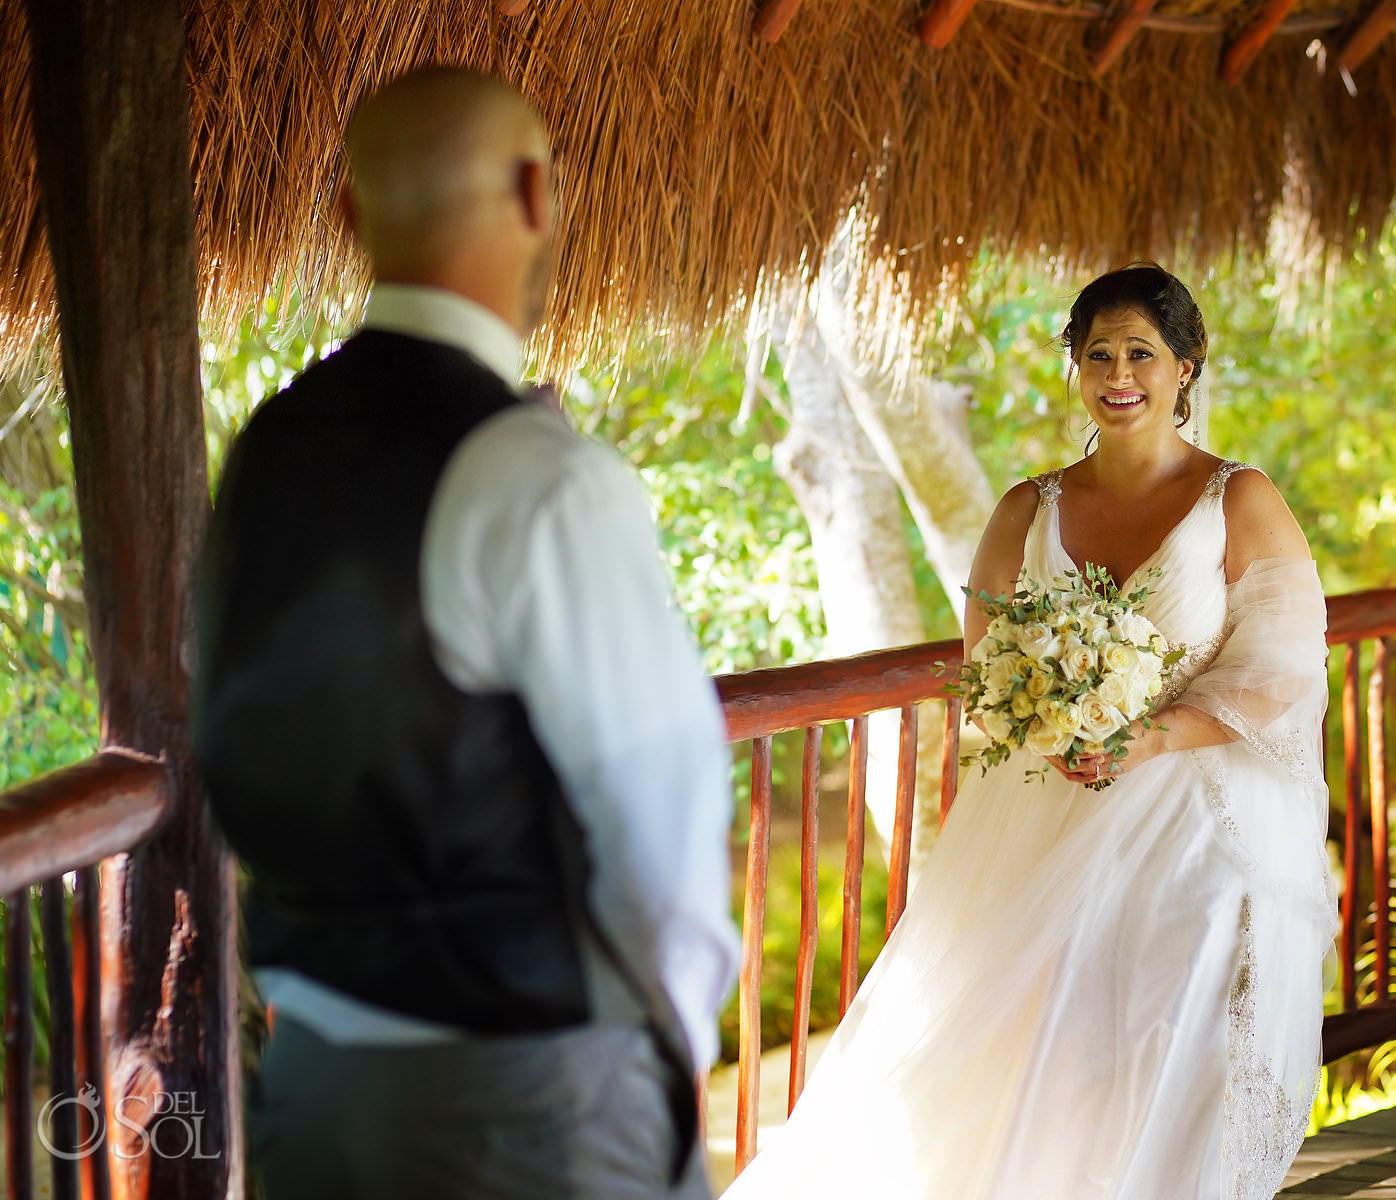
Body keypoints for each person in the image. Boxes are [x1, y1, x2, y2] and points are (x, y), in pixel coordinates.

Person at [190, 68, 733, 1199]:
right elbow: (661, 825)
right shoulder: (539, 475)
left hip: (314, 1088)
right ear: (537, 192)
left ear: (347, 216)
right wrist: (668, 1052)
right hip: (529, 1096)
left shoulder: (265, 454)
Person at [722, 264, 1333, 1200]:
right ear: (1075, 367)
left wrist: (1154, 736)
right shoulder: (1027, 508)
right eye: (1098, 354)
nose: (1117, 373)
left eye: (1141, 353)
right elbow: (988, 667)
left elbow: (1282, 668)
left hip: (1192, 806)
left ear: (1185, 366)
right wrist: (1052, 722)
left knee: (1181, 1020)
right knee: (1040, 1032)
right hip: (1050, 799)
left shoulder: (1236, 500)